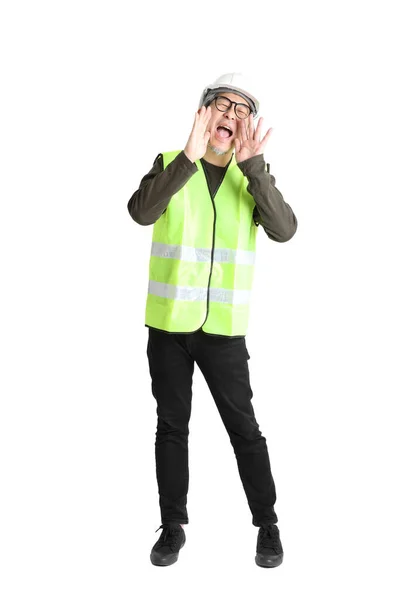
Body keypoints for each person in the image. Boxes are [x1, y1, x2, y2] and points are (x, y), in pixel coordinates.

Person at [127, 73, 297, 568]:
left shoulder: (252, 178)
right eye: (224, 105)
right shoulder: (169, 164)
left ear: (248, 127)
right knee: (171, 427)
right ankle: (172, 526)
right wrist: (188, 157)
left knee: (245, 429)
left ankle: (267, 524)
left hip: (223, 332)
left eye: (242, 111)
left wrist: (256, 167)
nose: (232, 115)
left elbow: (284, 230)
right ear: (204, 113)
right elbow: (141, 213)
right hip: (169, 329)